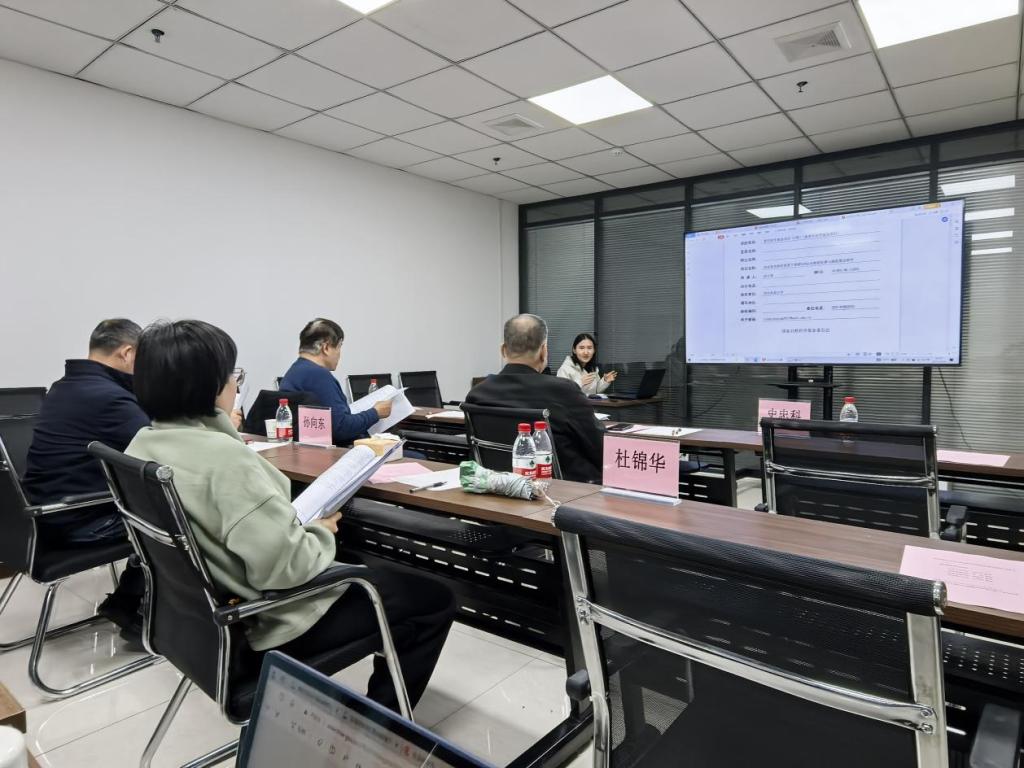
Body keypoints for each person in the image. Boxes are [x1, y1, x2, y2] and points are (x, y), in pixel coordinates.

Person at [127, 320, 454, 710]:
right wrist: (320, 531)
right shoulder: (225, 460)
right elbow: (286, 570)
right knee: (433, 598)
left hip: (195, 626)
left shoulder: (141, 444)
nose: (235, 384)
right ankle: (379, 723)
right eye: (233, 375)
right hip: (268, 622)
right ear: (209, 386)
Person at [22, 319, 151, 639]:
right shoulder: (110, 397)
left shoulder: (65, 387)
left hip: (40, 516)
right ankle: (134, 605)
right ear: (128, 353)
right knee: (176, 515)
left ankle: (127, 599)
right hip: (79, 521)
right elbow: (157, 447)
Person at [466, 314, 605, 483]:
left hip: (498, 487)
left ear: (503, 350)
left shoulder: (477, 393)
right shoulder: (564, 391)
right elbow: (600, 448)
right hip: (563, 490)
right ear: (543, 351)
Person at [279, 319, 391, 446]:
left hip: (305, 450)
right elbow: (341, 428)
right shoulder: (318, 375)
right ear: (326, 348)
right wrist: (375, 413)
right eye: (339, 347)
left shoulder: (294, 371)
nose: (339, 354)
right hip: (339, 452)